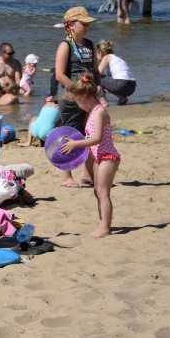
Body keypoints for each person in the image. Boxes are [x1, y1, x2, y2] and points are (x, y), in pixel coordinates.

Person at [59, 74, 121, 238]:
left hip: (108, 156)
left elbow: (97, 138)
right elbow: (90, 139)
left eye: (77, 102)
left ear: (83, 97)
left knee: (103, 192)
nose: (78, 106)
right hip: (99, 157)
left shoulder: (99, 112)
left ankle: (106, 228)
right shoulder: (92, 112)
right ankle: (103, 223)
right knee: (97, 191)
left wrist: (75, 144)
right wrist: (74, 143)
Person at [54, 6, 107, 188]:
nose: (86, 26)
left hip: (90, 96)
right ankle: (67, 175)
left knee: (90, 131)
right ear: (70, 26)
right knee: (68, 134)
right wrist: (77, 91)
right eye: (82, 23)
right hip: (71, 97)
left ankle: (87, 174)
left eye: (88, 24)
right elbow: (60, 75)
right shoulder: (65, 45)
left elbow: (95, 70)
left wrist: (98, 85)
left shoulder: (90, 44)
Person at [96, 40, 137, 105]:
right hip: (132, 86)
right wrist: (106, 87)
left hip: (121, 85)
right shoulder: (117, 58)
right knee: (109, 79)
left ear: (99, 53)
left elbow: (97, 73)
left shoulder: (107, 57)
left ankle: (103, 101)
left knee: (97, 77)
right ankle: (122, 98)